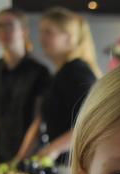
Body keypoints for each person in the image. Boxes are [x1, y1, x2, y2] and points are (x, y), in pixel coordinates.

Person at [15, 7, 100, 164]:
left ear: (69, 38)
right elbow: (39, 121)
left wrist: (53, 148)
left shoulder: (75, 72)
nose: (41, 38)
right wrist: (20, 158)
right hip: (67, 164)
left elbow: (93, 121)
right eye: (41, 31)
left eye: (49, 32)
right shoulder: (61, 73)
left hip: (77, 165)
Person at [0, 8, 51, 169]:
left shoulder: (40, 72)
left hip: (30, 159)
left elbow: (39, 119)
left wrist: (20, 159)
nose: (3, 31)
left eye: (9, 25)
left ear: (24, 30)